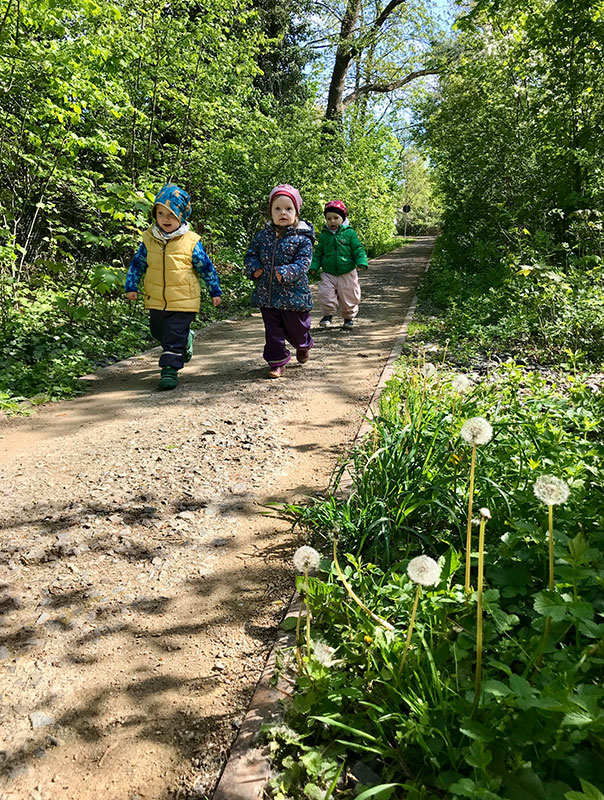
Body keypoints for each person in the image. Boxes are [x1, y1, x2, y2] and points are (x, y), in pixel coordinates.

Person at [125, 184, 222, 390]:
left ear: (182, 215)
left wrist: (215, 291)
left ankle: (169, 369)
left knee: (173, 336)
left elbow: (206, 267)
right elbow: (137, 264)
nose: (165, 219)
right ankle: (187, 338)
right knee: (158, 331)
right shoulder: (149, 239)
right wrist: (131, 285)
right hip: (156, 299)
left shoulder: (190, 241)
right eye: (160, 213)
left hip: (184, 300)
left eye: (171, 214)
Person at [244, 184, 315, 378]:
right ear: (271, 212)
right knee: (273, 331)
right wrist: (254, 267)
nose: (283, 213)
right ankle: (276, 362)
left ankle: (304, 344)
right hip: (268, 295)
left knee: (297, 330)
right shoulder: (262, 236)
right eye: (277, 209)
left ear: (296, 212)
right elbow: (251, 255)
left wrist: (286, 271)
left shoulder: (303, 238)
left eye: (288, 209)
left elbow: (303, 262)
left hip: (294, 296)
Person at [310, 200, 368, 330]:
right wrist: (314, 266)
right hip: (328, 272)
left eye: (336, 218)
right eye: (329, 218)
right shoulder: (324, 235)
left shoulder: (350, 233)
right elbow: (318, 253)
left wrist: (362, 261)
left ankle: (348, 317)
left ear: (343, 218)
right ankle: (327, 315)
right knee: (324, 293)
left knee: (349, 295)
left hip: (347, 271)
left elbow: (358, 249)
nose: (332, 221)